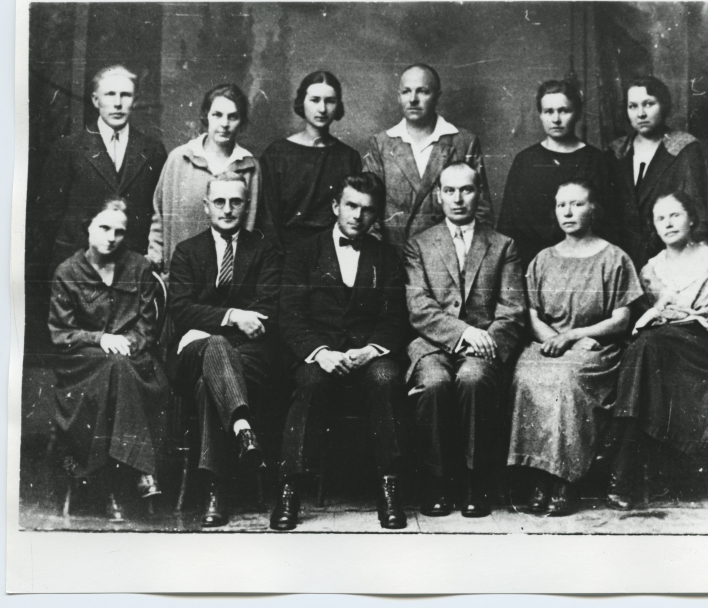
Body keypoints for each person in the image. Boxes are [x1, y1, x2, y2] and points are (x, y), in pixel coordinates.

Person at [272, 173, 410, 531]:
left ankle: (389, 488)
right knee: (310, 384)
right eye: (351, 206)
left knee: (387, 379)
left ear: (376, 215)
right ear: (336, 206)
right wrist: (320, 352)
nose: (357, 216)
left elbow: (395, 318)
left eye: (367, 210)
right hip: (321, 355)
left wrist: (371, 350)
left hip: (369, 356)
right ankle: (289, 490)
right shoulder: (304, 251)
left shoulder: (386, 256)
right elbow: (290, 315)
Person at [507, 180, 643, 515]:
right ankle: (538, 477)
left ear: (593, 209)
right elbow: (533, 315)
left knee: (565, 381)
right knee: (526, 376)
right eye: (561, 205)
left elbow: (622, 320)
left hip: (596, 348)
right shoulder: (542, 259)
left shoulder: (614, 258)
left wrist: (573, 336)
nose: (567, 212)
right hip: (548, 344)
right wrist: (554, 339)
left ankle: (563, 480)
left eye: (577, 204)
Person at [404, 162, 526, 518]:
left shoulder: (502, 245)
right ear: (439, 196)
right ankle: (438, 481)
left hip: (485, 344)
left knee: (473, 379)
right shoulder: (419, 245)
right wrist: (462, 333)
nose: (458, 199)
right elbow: (418, 307)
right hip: (432, 343)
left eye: (467, 190)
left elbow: (512, 309)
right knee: (434, 383)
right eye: (450, 191)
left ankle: (476, 482)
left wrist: (483, 339)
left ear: (479, 194)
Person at [168, 174, 282, 528]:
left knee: (209, 384)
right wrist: (234, 316)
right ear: (206, 207)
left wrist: (216, 323)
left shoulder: (264, 249)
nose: (227, 209)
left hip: (248, 355)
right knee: (215, 347)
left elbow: (268, 308)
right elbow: (181, 309)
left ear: (246, 206)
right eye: (219, 201)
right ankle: (243, 429)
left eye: (236, 202)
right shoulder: (187, 251)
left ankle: (214, 491)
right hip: (193, 353)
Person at [607, 191, 708, 510]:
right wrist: (664, 313)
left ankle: (621, 470)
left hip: (699, 346)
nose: (668, 223)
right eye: (660, 218)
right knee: (646, 348)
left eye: (675, 215)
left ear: (691, 219)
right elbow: (658, 314)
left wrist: (662, 312)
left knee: (645, 346)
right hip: (659, 347)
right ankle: (628, 469)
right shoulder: (650, 269)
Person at [48, 197, 170, 522]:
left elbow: (146, 328)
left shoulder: (139, 268)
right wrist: (100, 339)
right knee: (114, 368)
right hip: (83, 368)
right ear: (87, 227)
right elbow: (62, 334)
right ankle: (142, 471)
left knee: (118, 367)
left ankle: (113, 489)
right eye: (103, 228)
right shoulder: (67, 272)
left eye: (119, 231)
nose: (111, 237)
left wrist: (126, 344)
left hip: (135, 363)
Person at [36, 65, 167, 272]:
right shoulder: (68, 148)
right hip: (79, 268)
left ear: (135, 100)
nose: (118, 103)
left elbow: (158, 212)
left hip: (132, 269)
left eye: (125, 95)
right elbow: (49, 216)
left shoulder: (153, 150)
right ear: (96, 100)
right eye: (110, 94)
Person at [364, 63, 493, 255]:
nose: (413, 99)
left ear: (437, 96)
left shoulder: (463, 142)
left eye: (422, 91)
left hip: (448, 259)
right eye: (406, 91)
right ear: (398, 96)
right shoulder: (381, 143)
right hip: (393, 257)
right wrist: (379, 257)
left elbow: (481, 211)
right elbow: (368, 207)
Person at [498, 79, 613, 269]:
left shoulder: (597, 161)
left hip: (586, 264)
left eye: (564, 111)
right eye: (548, 111)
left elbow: (609, 224)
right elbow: (508, 226)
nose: (556, 119)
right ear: (540, 114)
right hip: (532, 265)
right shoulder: (525, 161)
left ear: (577, 113)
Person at [148, 83, 261, 274]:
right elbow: (159, 214)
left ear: (241, 121)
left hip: (229, 278)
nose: (224, 124)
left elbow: (252, 225)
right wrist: (156, 260)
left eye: (233, 116)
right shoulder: (179, 159)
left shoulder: (250, 167)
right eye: (217, 115)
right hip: (180, 275)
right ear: (205, 116)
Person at [606, 76, 708, 270]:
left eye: (649, 104)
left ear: (663, 105)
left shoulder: (684, 148)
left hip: (669, 257)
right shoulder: (616, 151)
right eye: (633, 106)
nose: (641, 114)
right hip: (620, 259)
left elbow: (696, 212)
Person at [259, 71, 362, 253]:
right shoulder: (277, 154)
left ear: (338, 105)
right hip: (284, 255)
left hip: (333, 254)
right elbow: (267, 220)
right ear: (302, 102)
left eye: (330, 101)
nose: (322, 109)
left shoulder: (348, 157)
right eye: (314, 100)